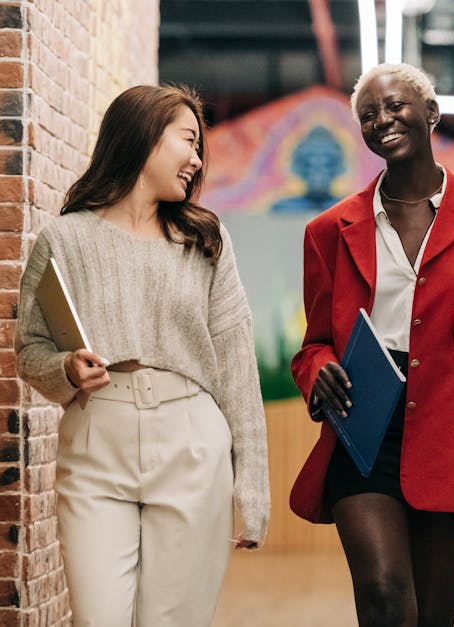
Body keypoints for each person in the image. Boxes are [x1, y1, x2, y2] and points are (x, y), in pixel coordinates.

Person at [15, 85, 270, 627]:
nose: (198, 159)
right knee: (99, 618)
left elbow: (236, 364)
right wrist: (64, 368)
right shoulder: (63, 239)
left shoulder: (205, 241)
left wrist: (251, 484)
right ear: (145, 138)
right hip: (95, 441)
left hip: (192, 442)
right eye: (188, 141)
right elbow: (29, 348)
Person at [289, 62, 454, 627]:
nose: (382, 119)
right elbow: (312, 343)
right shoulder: (328, 231)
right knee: (385, 594)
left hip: (449, 434)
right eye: (368, 115)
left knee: (433, 615)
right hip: (362, 429)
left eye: (395, 106)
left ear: (431, 113)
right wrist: (319, 370)